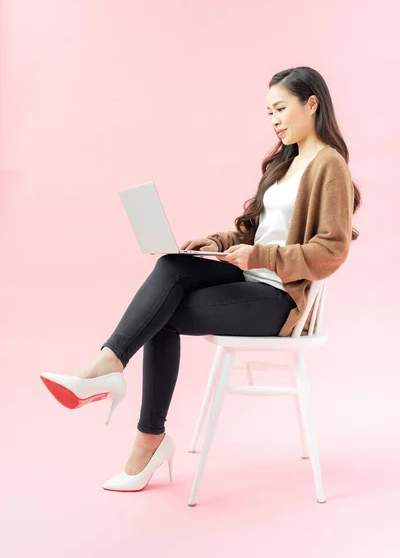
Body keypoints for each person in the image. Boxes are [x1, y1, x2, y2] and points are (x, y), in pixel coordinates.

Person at [40, 66, 361, 493]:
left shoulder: (328, 166)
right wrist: (214, 241)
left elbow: (332, 251)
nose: (275, 120)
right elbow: (255, 231)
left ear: (312, 104)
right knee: (171, 267)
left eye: (281, 108)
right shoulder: (286, 164)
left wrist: (259, 257)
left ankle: (143, 433)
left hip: (279, 299)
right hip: (250, 278)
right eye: (269, 113)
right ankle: (111, 368)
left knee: (161, 311)